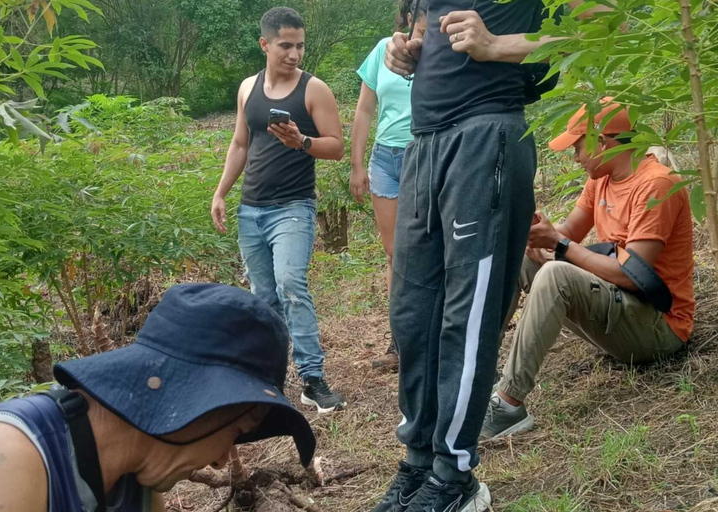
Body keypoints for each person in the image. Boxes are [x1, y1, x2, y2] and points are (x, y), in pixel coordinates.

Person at [373, 2, 612, 512]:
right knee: (412, 313)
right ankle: (418, 461)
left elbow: (606, 26)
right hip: (423, 143)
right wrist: (412, 53)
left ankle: (453, 475)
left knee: (470, 309)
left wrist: (496, 46)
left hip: (486, 137)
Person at [0, 283, 317, 512]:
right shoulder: (1, 460)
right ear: (195, 399)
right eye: (234, 432)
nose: (223, 461)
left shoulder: (136, 484)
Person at [480, 99, 695, 439]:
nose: (575, 157)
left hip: (658, 329)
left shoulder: (656, 184)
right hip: (618, 307)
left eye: (578, 147)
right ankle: (481, 374)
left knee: (555, 273)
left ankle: (508, 406)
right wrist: (535, 233)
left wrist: (560, 247)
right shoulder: (602, 179)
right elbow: (566, 236)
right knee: (523, 261)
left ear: (603, 142)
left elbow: (631, 274)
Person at [210, 7, 346, 413]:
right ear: (265, 44)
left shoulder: (313, 90)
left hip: (293, 207)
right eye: (286, 45)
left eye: (300, 45)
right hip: (251, 210)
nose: (294, 54)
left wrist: (301, 142)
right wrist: (220, 193)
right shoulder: (247, 88)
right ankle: (270, 379)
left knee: (291, 286)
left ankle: (313, 379)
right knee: (264, 298)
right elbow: (239, 144)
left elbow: (336, 146)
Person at [350, 0, 428, 371]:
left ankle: (430, 331)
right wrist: (357, 164)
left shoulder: (437, 52)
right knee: (395, 251)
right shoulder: (383, 49)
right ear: (408, 16)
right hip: (385, 159)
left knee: (425, 247)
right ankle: (399, 340)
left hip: (425, 152)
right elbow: (365, 109)